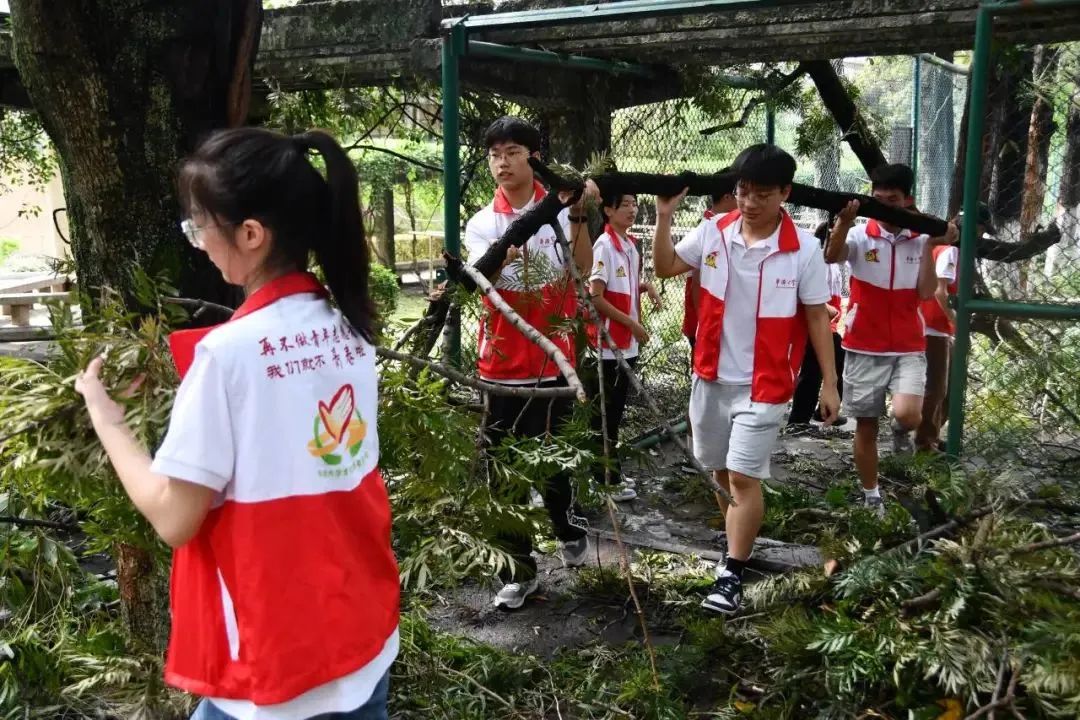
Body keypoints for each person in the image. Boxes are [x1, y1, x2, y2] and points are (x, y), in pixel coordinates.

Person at [74, 128, 399, 719]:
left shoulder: (226, 357)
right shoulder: (350, 327)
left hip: (274, 661)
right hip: (360, 636)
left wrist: (107, 417)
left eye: (199, 226)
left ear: (251, 233)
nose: (198, 242)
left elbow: (175, 519)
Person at [653, 144, 840, 615]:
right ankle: (737, 543)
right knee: (718, 472)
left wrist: (830, 383)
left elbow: (817, 317)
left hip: (766, 383)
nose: (749, 202)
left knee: (741, 475)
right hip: (710, 375)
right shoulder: (714, 231)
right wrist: (663, 217)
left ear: (785, 194)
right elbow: (666, 267)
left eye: (762, 194)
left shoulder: (804, 250)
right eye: (743, 191)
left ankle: (732, 574)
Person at [463, 116, 597, 610]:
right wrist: (505, 250)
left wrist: (578, 215)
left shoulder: (561, 212)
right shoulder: (483, 223)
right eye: (494, 154)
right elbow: (481, 280)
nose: (502, 162)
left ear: (534, 158)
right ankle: (518, 570)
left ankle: (566, 525)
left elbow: (581, 268)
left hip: (554, 362)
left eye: (513, 152)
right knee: (502, 470)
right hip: (500, 365)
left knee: (555, 463)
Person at [825, 163, 957, 517]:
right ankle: (872, 495)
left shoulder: (921, 236)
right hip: (863, 344)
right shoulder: (860, 234)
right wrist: (844, 222)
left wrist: (930, 244)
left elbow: (926, 292)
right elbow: (831, 256)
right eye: (878, 199)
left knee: (909, 415)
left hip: (908, 345)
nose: (883, 207)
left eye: (892, 200)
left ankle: (901, 433)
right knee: (866, 424)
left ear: (907, 200)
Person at [585, 191, 661, 502]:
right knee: (604, 415)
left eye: (634, 204)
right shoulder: (604, 245)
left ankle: (609, 472)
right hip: (607, 345)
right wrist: (631, 324)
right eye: (625, 204)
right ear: (608, 210)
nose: (632, 210)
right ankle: (602, 479)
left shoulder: (629, 245)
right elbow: (596, 297)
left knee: (615, 413)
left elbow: (623, 287)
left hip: (626, 344)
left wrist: (647, 287)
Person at [913, 202, 993, 452]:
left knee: (944, 388)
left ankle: (932, 436)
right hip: (933, 325)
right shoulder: (950, 251)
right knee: (936, 388)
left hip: (938, 325)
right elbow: (940, 291)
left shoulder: (950, 250)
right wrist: (956, 321)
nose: (981, 235)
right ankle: (924, 442)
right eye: (981, 229)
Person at [787, 220, 847, 428]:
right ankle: (799, 419)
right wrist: (827, 311)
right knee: (812, 371)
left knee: (827, 366)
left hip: (829, 324)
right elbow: (810, 296)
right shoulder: (817, 260)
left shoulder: (835, 265)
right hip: (820, 324)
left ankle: (822, 411)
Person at [682, 179, 738, 353]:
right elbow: (697, 281)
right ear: (728, 197)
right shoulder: (709, 227)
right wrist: (703, 324)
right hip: (705, 319)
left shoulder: (721, 225)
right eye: (740, 193)